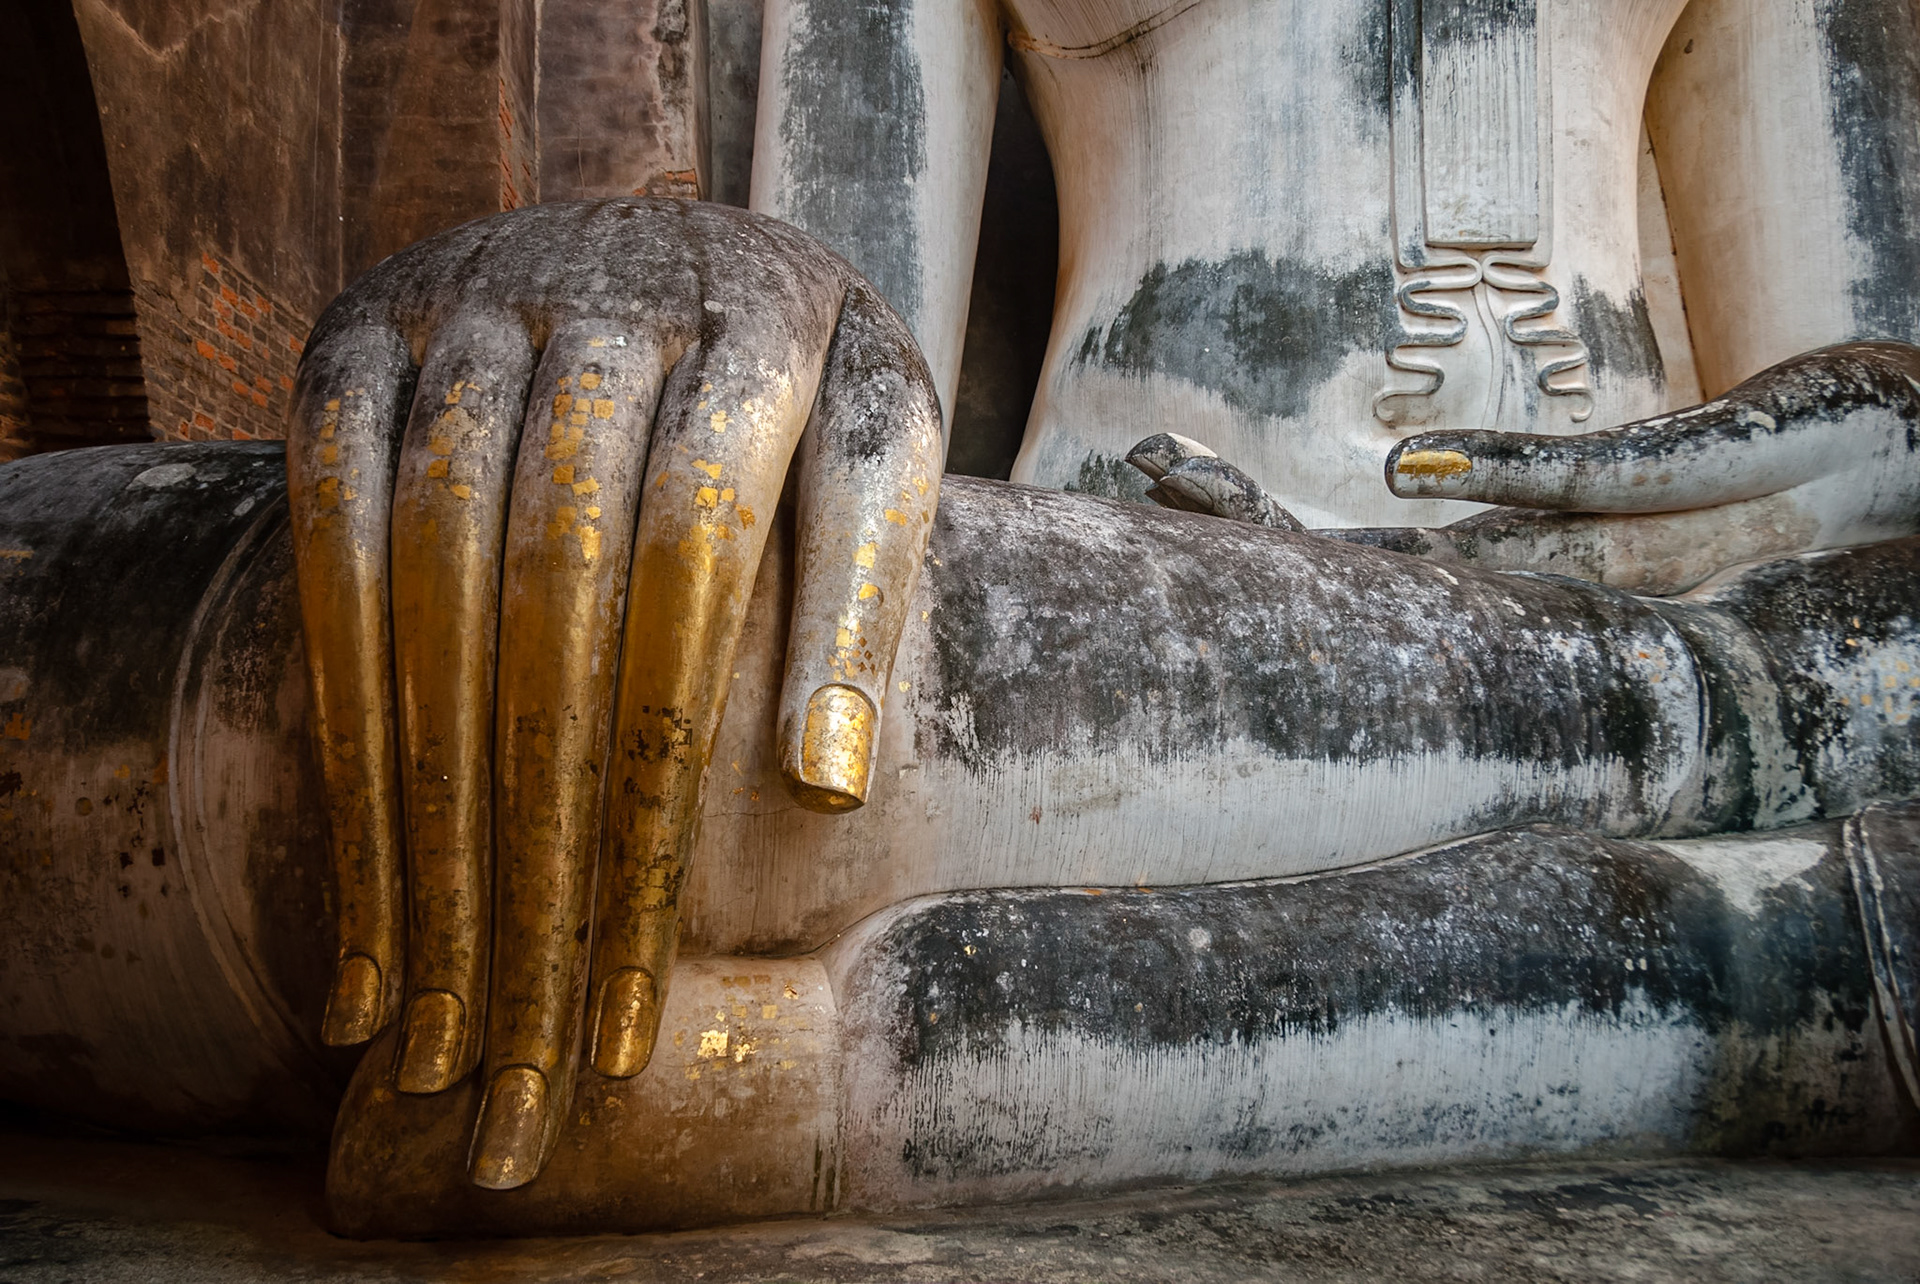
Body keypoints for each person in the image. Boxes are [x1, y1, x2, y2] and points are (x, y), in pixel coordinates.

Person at [284, 0, 1920, 1191]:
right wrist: (708, 291)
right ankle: (1734, 939)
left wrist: (1877, 419)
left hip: (1698, 614)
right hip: (1141, 599)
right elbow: (843, 363)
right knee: (674, 695)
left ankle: (843, 1087)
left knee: (1864, 679)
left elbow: (1872, 385)